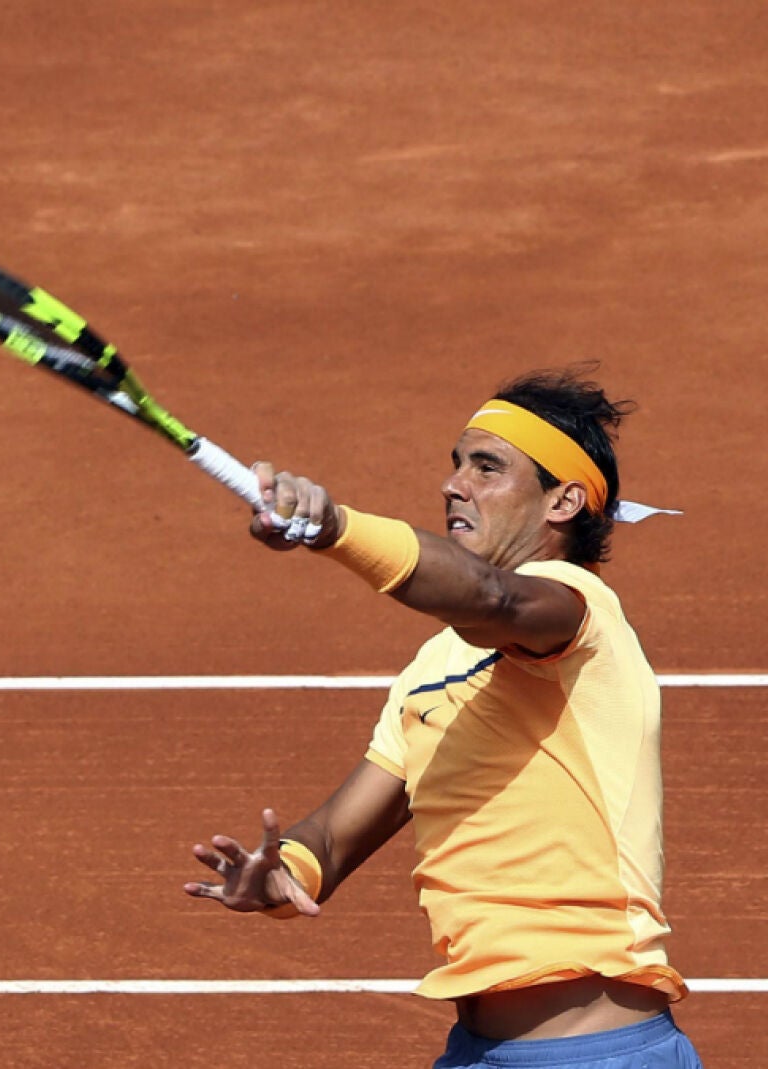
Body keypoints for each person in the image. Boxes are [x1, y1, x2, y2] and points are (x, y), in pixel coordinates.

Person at [183, 368, 702, 1068]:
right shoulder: (434, 665)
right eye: (457, 464)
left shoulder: (578, 611)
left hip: (596, 1054)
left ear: (563, 500)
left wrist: (334, 527)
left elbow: (493, 598)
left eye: (487, 467)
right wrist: (283, 874)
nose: (453, 484)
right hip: (475, 1051)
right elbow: (332, 836)